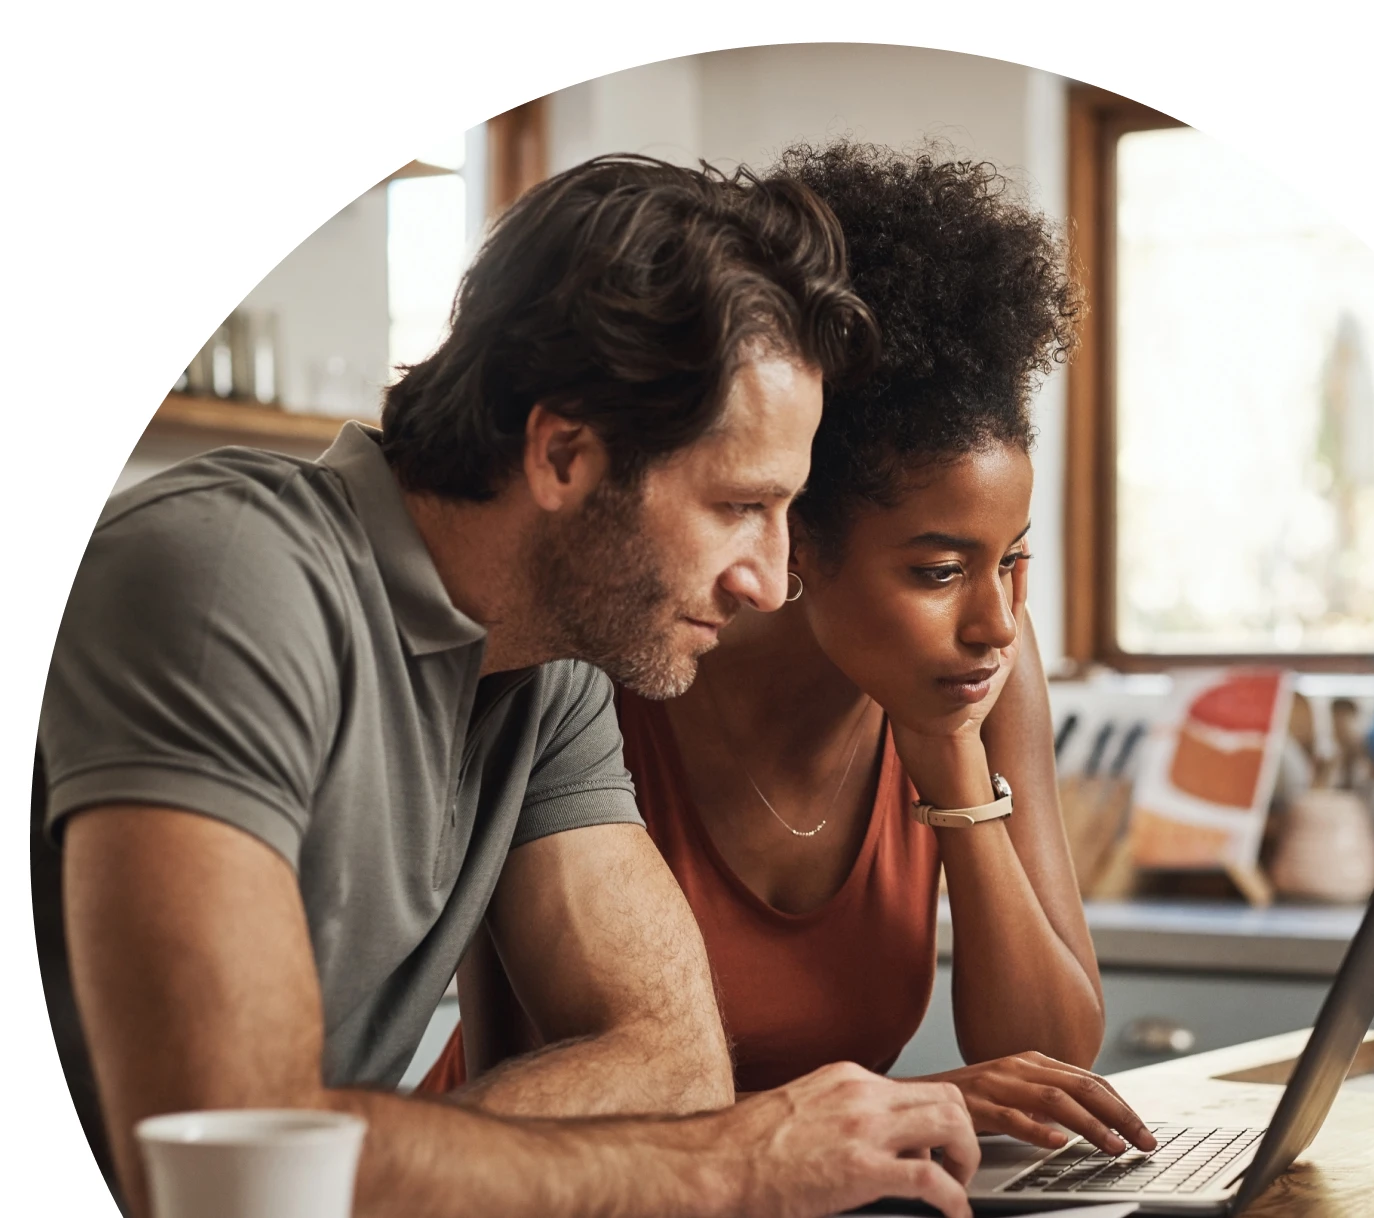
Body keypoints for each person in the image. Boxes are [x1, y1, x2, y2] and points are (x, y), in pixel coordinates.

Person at [32, 154, 983, 1218]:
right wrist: (735, 1165)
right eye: (736, 507)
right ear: (564, 453)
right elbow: (232, 1168)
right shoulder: (224, 576)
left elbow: (673, 1067)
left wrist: (370, 1158)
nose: (767, 582)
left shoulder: (547, 671)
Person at [419, 142, 1157, 1159]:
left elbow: (1053, 1059)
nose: (995, 620)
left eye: (1013, 561)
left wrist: (949, 768)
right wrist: (905, 1105)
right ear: (797, 533)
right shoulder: (614, 657)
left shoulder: (976, 670)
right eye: (938, 571)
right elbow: (556, 1082)